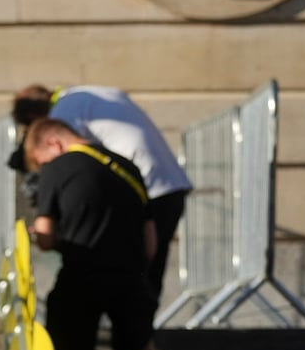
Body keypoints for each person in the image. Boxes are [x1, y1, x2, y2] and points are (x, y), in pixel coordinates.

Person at [22, 118, 169, 350]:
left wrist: (41, 236)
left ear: (53, 144)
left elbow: (46, 235)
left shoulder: (56, 170)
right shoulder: (127, 166)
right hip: (130, 277)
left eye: (40, 161)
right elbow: (150, 240)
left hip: (80, 279)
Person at [12, 84, 193, 307]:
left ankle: (132, 324)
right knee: (147, 272)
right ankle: (141, 325)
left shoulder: (63, 114)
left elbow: (73, 166)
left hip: (143, 186)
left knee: (130, 275)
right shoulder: (88, 92)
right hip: (169, 183)